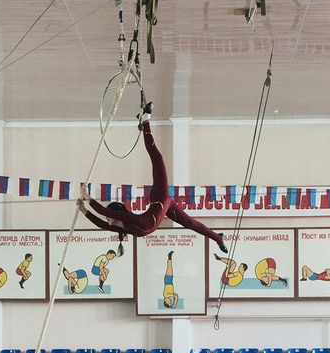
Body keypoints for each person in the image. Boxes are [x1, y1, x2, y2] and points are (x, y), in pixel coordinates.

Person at [76, 105, 227, 254]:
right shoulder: (127, 222)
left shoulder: (123, 222)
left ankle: (146, 121)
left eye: (109, 217)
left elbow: (102, 221)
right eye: (109, 217)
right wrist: (87, 201)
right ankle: (217, 238)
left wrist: (84, 208)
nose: (108, 219)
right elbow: (102, 216)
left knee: (157, 158)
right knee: (190, 223)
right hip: (162, 199)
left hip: (161, 202)